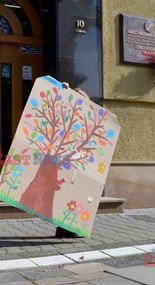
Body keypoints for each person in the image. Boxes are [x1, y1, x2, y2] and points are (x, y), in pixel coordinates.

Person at [54, 82, 90, 238]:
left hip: (79, 161)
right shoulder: (66, 116)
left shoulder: (87, 120)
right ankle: (64, 228)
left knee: (76, 194)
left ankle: (72, 227)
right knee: (67, 193)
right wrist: (61, 90)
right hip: (66, 161)